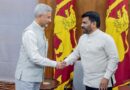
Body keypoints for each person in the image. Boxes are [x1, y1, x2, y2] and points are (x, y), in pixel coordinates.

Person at [62, 11, 119, 90]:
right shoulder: (82, 38)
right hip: (88, 82)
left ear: (93, 24)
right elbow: (76, 53)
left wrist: (106, 78)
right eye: (82, 23)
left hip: (103, 83)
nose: (82, 25)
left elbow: (114, 59)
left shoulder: (106, 38)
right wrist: (65, 62)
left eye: (85, 23)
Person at [15, 4, 62, 90]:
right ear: (40, 16)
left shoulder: (40, 30)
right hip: (26, 79)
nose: (50, 20)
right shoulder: (30, 33)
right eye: (48, 17)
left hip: (35, 79)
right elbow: (35, 57)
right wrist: (55, 64)